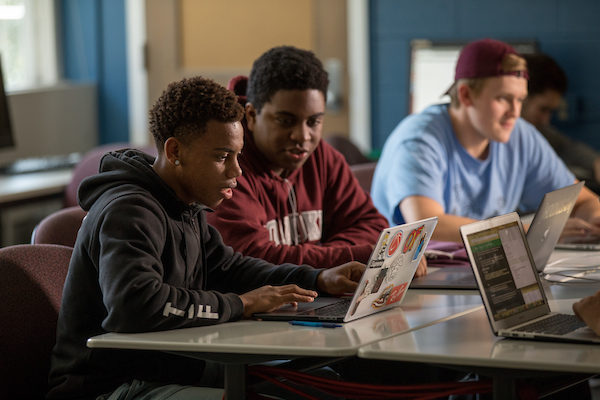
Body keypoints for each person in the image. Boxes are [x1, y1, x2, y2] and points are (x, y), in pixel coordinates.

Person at [46, 76, 364, 400]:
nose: (237, 171)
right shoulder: (128, 211)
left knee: (319, 381)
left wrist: (319, 279)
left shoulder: (186, 205)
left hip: (175, 366)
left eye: (238, 155)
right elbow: (134, 306)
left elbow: (231, 269)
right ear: (175, 151)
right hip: (113, 385)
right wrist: (238, 305)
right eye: (222, 157)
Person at [205, 46, 422, 274]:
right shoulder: (226, 166)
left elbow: (373, 226)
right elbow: (252, 259)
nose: (302, 136)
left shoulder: (321, 156)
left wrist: (321, 259)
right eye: (286, 121)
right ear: (251, 115)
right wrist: (361, 256)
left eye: (314, 122)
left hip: (311, 298)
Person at [371, 38, 600, 242]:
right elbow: (426, 226)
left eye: (520, 100)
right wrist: (528, 231)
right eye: (503, 98)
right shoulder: (420, 140)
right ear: (466, 95)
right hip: (418, 275)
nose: (515, 112)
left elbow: (580, 201)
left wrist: (593, 220)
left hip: (479, 271)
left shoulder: (519, 134)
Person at [521, 53, 600, 192]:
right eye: (543, 109)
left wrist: (596, 162)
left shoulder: (536, 130)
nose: (546, 120)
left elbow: (566, 147)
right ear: (520, 96)